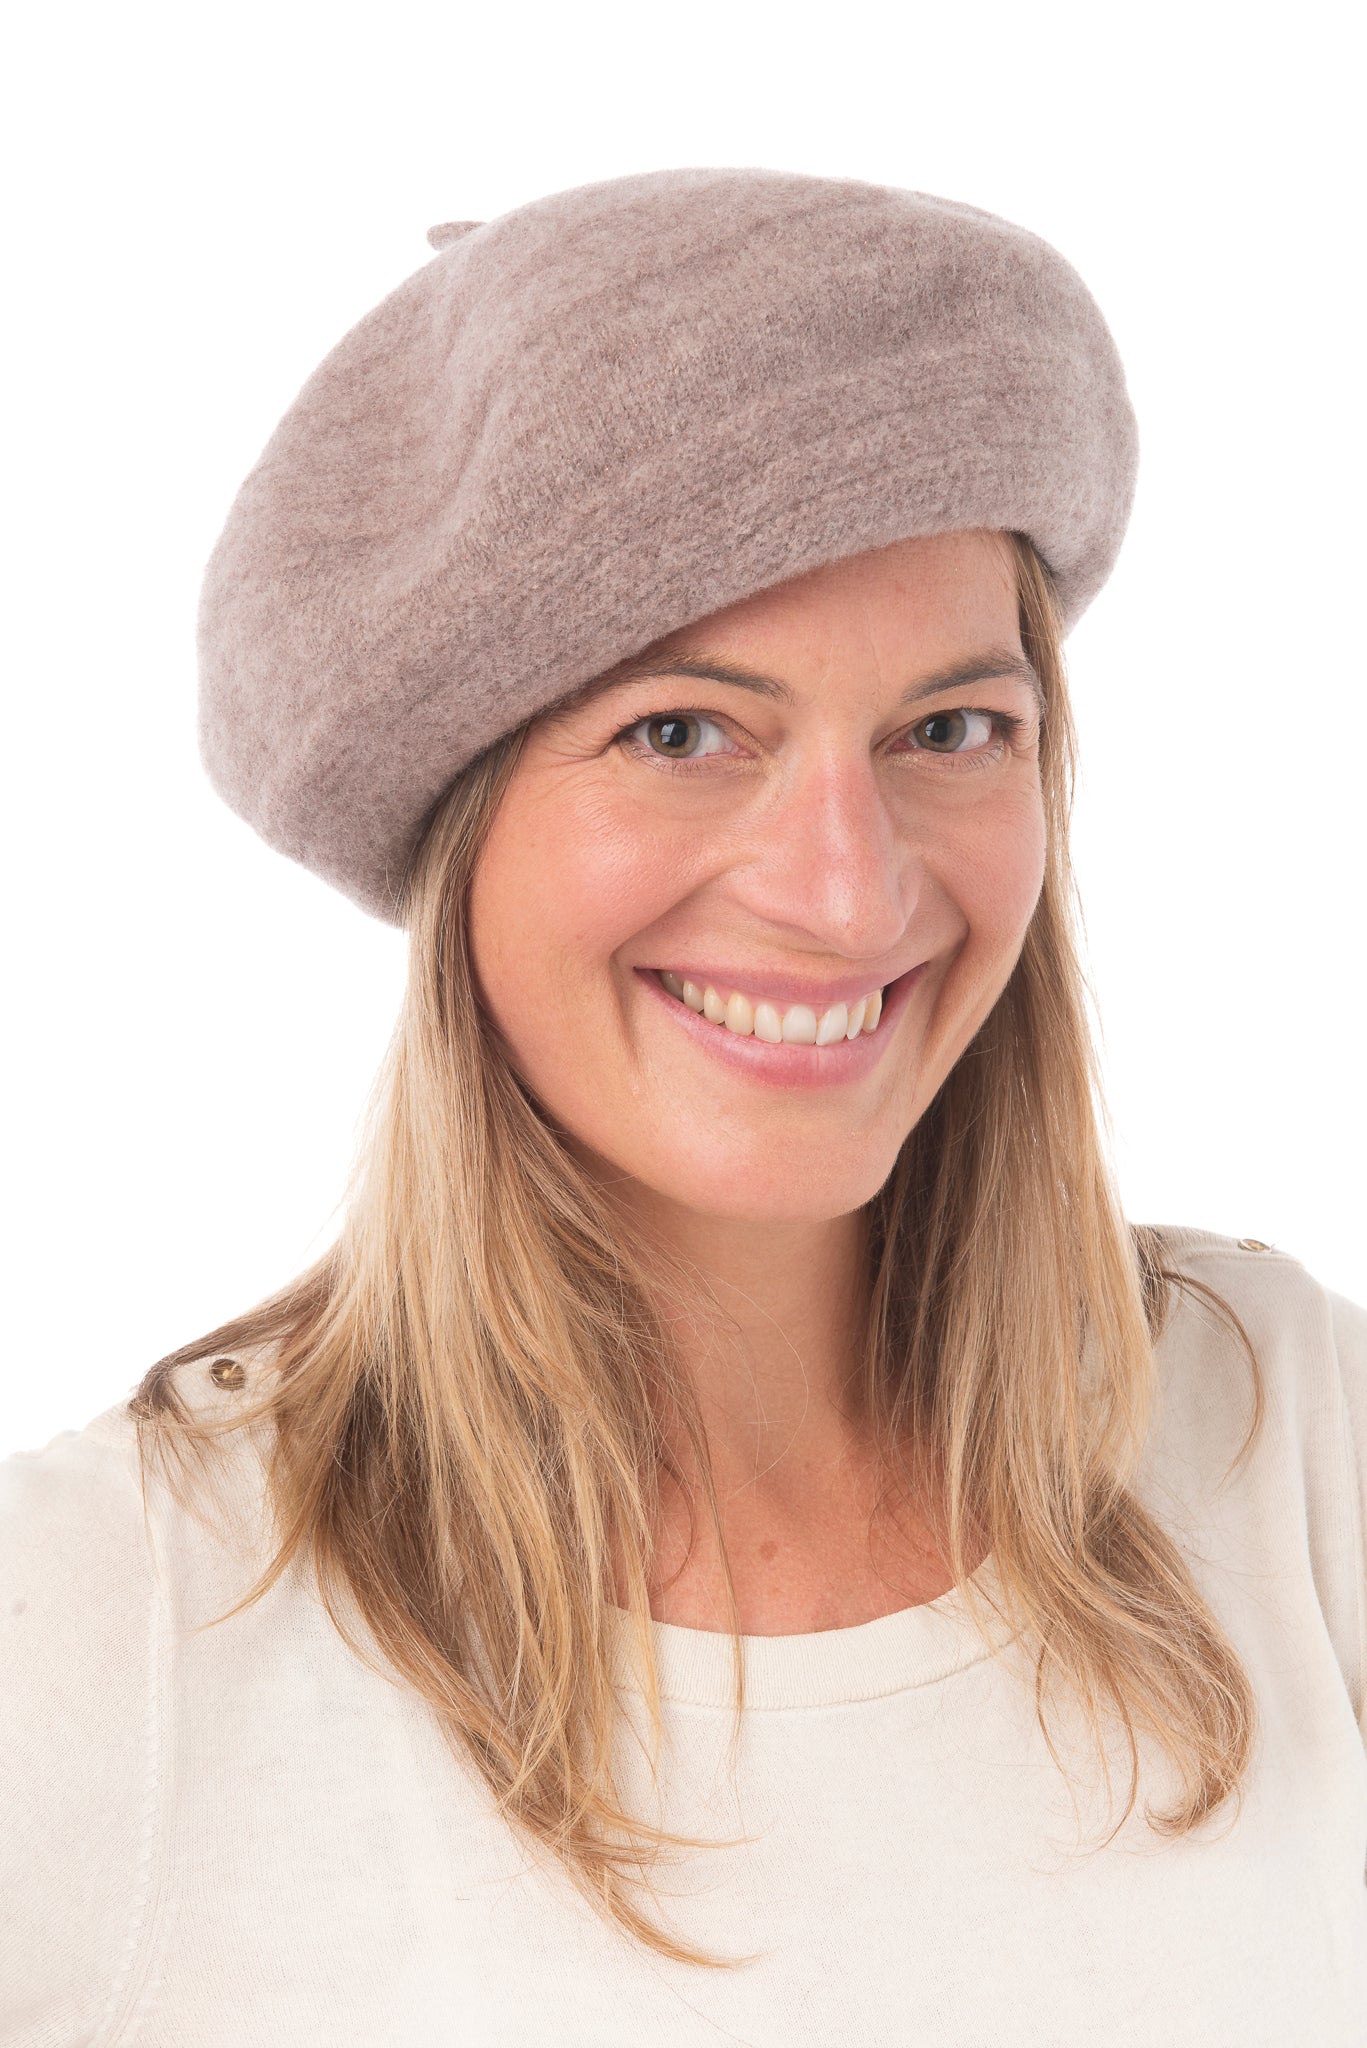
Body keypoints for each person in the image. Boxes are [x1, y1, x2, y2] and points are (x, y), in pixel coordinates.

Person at [3, 166, 1364, 2045]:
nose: (848, 894)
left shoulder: (1292, 1436)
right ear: (457, 823)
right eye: (679, 733)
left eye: (950, 729)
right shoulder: (111, 1624)